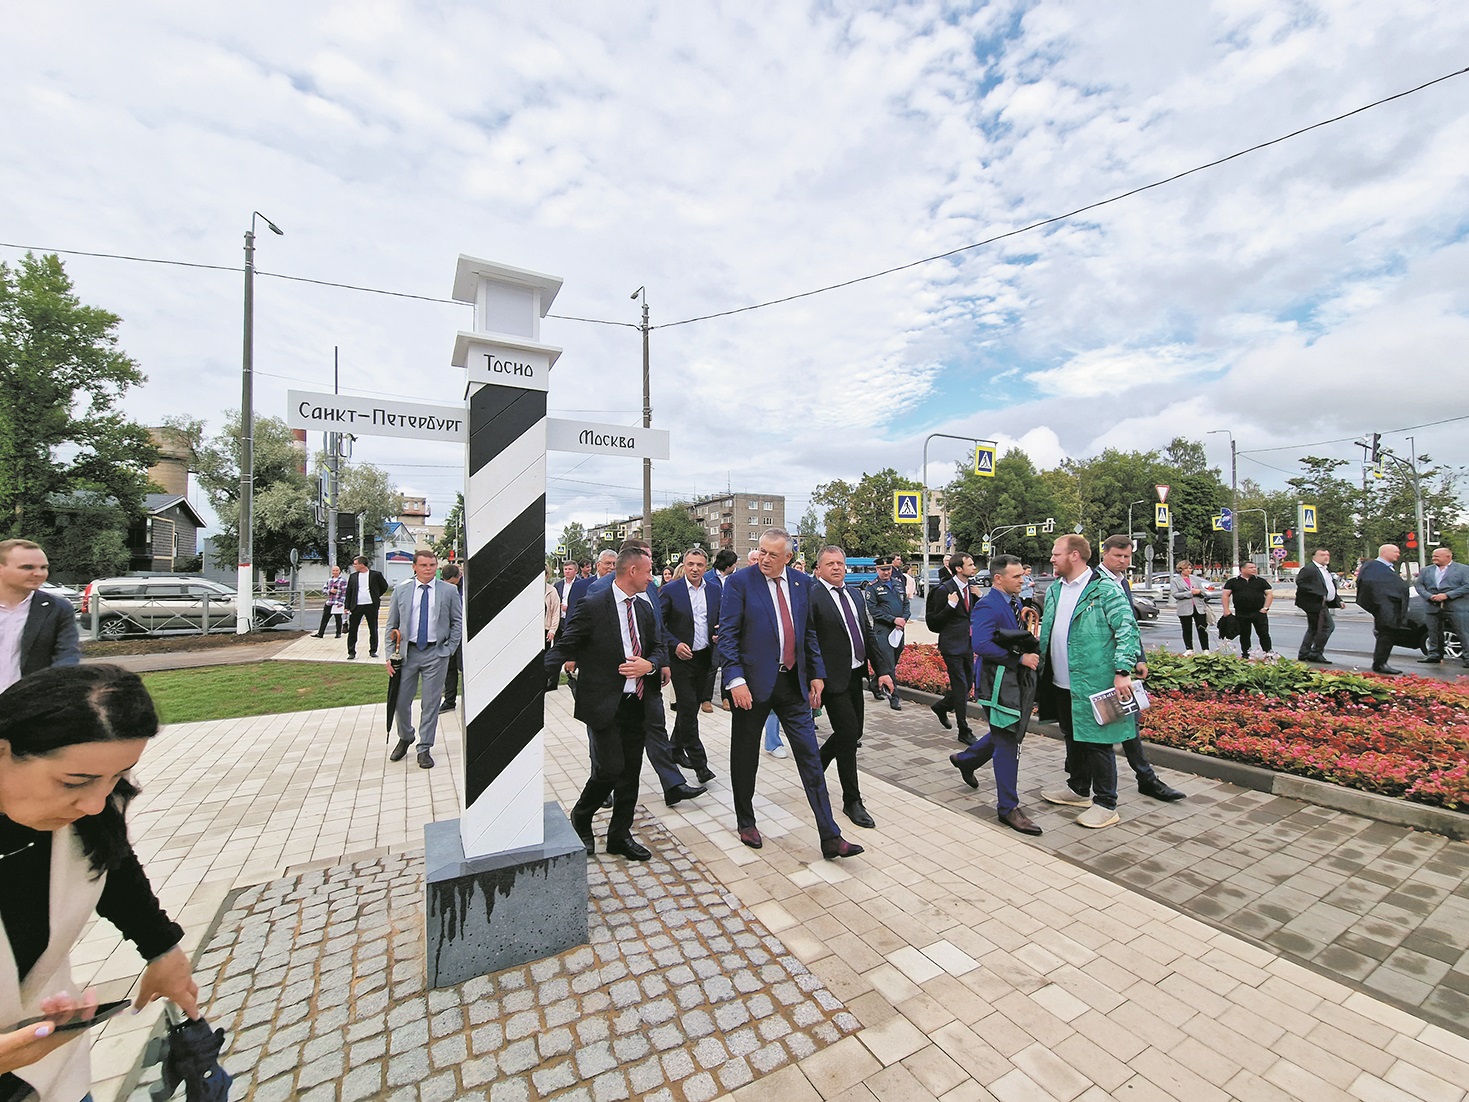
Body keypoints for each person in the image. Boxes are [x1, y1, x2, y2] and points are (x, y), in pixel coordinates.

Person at [0, 665, 201, 1102]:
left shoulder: (82, 820)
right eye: (74, 782)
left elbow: (110, 866)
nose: (94, 803)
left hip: (49, 1074)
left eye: (116, 777)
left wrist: (161, 947)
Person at [718, 528, 862, 858]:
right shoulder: (741, 583)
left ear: (788, 558)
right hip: (751, 688)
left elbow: (807, 633)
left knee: (810, 758)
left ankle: (830, 836)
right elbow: (727, 636)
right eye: (761, 552)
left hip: (792, 686)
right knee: (745, 755)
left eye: (773, 555)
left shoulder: (801, 585)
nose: (765, 559)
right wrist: (735, 681)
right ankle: (745, 820)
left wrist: (817, 675)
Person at [555, 545, 668, 861]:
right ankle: (582, 814)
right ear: (632, 571)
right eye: (648, 572)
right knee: (609, 769)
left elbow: (658, 648)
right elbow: (566, 645)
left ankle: (620, 835)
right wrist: (530, 681)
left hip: (637, 703)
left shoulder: (644, 608)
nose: (652, 578)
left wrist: (650, 665)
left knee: (631, 773)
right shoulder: (593, 605)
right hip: (604, 703)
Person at [584, 541, 705, 807]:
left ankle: (673, 784)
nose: (650, 568)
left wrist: (661, 662)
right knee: (605, 736)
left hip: (647, 675)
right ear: (630, 563)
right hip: (615, 682)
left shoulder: (649, 586)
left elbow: (657, 627)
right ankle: (602, 786)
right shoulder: (599, 589)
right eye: (646, 560)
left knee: (656, 727)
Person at [1038, 535, 1144, 829]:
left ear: (1074, 556)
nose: (1051, 558)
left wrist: (1123, 670)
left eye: (1056, 553)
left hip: (1095, 682)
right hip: (1062, 682)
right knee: (1074, 737)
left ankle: (1106, 803)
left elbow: (1127, 629)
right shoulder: (1056, 590)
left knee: (1099, 743)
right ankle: (1078, 789)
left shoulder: (1103, 589)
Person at [948, 555, 1043, 835]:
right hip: (997, 683)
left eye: (1022, 576)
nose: (1022, 580)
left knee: (1005, 733)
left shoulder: (1013, 602)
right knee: (1008, 741)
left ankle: (966, 760)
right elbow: (981, 644)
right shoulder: (989, 604)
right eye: (1016, 577)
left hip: (1012, 681)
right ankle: (1008, 808)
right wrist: (1020, 659)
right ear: (998, 579)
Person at [1095, 537, 1184, 802]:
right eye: (1118, 556)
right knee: (1102, 728)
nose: (1123, 561)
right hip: (1099, 665)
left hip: (1121, 665)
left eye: (1127, 557)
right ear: (1104, 554)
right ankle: (1081, 780)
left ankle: (1146, 778)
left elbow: (1129, 625)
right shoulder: (1092, 581)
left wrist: (1139, 658)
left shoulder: (1122, 581)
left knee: (1128, 720)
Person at [810, 546, 892, 830]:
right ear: (818, 569)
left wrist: (882, 671)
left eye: (840, 563)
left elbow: (867, 633)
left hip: (856, 675)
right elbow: (808, 641)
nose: (837, 568)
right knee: (847, 735)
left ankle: (817, 762)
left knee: (853, 732)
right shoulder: (812, 596)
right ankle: (851, 800)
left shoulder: (855, 594)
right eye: (830, 564)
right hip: (831, 679)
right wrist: (814, 678)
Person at [385, 551, 464, 769]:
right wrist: (389, 655)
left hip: (435, 654)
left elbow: (457, 621)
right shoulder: (402, 590)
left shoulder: (448, 590)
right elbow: (391, 624)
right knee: (400, 702)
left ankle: (424, 748)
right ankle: (406, 736)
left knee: (430, 703)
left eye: (432, 565)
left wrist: (449, 649)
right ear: (414, 567)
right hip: (407, 654)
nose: (428, 569)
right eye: (423, 565)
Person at [658, 547, 720, 784]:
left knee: (690, 709)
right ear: (684, 565)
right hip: (680, 660)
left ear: (706, 567)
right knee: (687, 707)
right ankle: (700, 763)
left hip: (704, 657)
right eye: (691, 564)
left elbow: (719, 619)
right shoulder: (671, 590)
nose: (695, 569)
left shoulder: (714, 589)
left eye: (700, 565)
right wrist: (674, 645)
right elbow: (659, 624)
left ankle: (674, 748)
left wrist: (719, 633)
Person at [0, 539, 80, 695]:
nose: (39, 573)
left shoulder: (58, 608)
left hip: (29, 703)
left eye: (44, 567)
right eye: (27, 567)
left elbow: (67, 655)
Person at [926, 551, 980, 744]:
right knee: (961, 685)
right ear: (959, 568)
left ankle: (942, 707)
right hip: (951, 645)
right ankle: (964, 730)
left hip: (967, 644)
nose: (974, 567)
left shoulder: (971, 589)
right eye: (971, 564)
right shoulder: (943, 590)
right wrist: (949, 606)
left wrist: (979, 598)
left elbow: (973, 616)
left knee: (968, 683)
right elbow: (932, 623)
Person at [1357, 544, 1411, 675]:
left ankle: (1381, 662)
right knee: (1386, 634)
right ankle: (1380, 664)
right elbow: (1370, 587)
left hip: (1390, 607)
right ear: (1385, 552)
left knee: (1389, 635)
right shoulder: (1373, 567)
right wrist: (1381, 604)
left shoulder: (1386, 568)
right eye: (1395, 552)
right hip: (1385, 607)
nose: (1398, 554)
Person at [864, 557, 908, 712]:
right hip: (883, 631)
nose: (886, 572)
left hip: (899, 630)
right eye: (883, 569)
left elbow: (906, 604)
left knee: (893, 660)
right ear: (877, 570)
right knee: (889, 665)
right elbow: (873, 610)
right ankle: (894, 697)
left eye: (888, 569)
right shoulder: (872, 587)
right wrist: (892, 619)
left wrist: (903, 619)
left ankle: (875, 684)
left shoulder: (897, 583)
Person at [1414, 547, 1469, 668]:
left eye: (1437, 556)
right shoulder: (1426, 570)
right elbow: (1419, 585)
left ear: (1448, 557)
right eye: (1433, 556)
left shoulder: (1464, 570)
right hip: (1432, 605)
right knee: (1433, 631)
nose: (1433, 558)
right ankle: (1434, 655)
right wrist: (1430, 596)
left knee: (1463, 632)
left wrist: (1447, 595)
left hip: (1456, 606)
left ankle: (1468, 657)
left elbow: (1467, 586)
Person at [1294, 548, 1341, 663]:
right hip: (1314, 604)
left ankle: (1305, 653)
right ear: (1314, 557)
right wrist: (1319, 594)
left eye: (1327, 554)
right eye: (1322, 554)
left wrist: (1338, 600)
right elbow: (1301, 582)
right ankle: (1315, 652)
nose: (1326, 557)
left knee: (1314, 628)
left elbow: (1329, 587)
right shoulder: (1309, 569)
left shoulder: (1325, 570)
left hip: (1321, 604)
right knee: (1327, 627)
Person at [1222, 561, 1274, 659]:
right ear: (1242, 569)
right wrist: (1226, 610)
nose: (1254, 569)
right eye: (1251, 567)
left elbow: (1269, 594)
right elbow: (1225, 595)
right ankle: (1246, 653)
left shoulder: (1260, 581)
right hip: (1241, 613)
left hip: (1258, 612)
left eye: (1254, 567)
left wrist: (1265, 608)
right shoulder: (1233, 582)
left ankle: (1268, 652)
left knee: (1263, 633)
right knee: (1244, 634)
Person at [343, 555, 389, 660]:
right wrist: (347, 606)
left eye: (355, 564)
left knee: (373, 628)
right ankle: (351, 651)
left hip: (371, 605)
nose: (354, 566)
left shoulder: (376, 575)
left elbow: (384, 586)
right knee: (353, 629)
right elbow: (349, 592)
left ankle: (373, 650)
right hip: (356, 606)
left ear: (362, 564)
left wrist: (376, 595)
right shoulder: (353, 576)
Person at [1169, 561, 1210, 653]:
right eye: (1187, 568)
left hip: (1198, 607)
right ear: (1181, 569)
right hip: (1184, 607)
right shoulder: (1175, 580)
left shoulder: (1196, 579)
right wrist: (1190, 593)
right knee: (1187, 629)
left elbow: (1204, 592)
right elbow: (1175, 594)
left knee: (1202, 628)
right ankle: (1189, 649)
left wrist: (1199, 592)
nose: (1189, 570)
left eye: (1190, 568)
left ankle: (1205, 649)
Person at [440, 563, 465, 709]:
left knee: (464, 668)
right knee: (449, 669)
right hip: (447, 634)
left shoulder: (466, 588)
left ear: (459, 577)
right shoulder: (442, 589)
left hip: (463, 634)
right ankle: (449, 701)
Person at [311, 564, 347, 639]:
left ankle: (338, 633)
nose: (335, 572)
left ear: (339, 571)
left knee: (338, 618)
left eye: (336, 570)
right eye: (333, 570)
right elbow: (324, 590)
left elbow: (344, 592)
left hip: (337, 603)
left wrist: (341, 602)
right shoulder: (329, 580)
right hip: (329, 602)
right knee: (325, 618)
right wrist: (329, 591)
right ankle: (320, 633)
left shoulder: (343, 581)